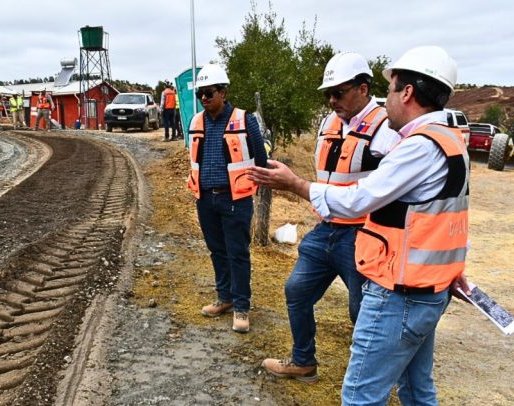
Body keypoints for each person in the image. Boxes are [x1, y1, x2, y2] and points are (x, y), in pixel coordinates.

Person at [248, 46, 472, 405]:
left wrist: (295, 184)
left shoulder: (415, 145)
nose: (333, 100)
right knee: (417, 390)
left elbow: (359, 199)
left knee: (361, 395)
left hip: (396, 284)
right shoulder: (448, 141)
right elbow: (445, 219)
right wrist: (451, 269)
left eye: (393, 89)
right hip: (418, 280)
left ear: (408, 92)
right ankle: (304, 359)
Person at [260, 52, 403, 384]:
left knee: (362, 312)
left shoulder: (387, 129)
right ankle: (303, 361)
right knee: (297, 290)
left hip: (365, 235)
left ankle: (378, 377)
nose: (331, 99)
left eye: (339, 92)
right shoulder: (329, 123)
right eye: (328, 93)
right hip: (326, 228)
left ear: (364, 88)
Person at [188, 64, 268, 333]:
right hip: (205, 199)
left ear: (223, 92)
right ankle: (225, 298)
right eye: (201, 94)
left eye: (209, 93)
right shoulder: (196, 121)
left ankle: (242, 306)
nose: (204, 98)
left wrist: (250, 186)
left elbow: (261, 158)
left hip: (235, 198)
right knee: (217, 250)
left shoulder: (245, 120)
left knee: (237, 253)